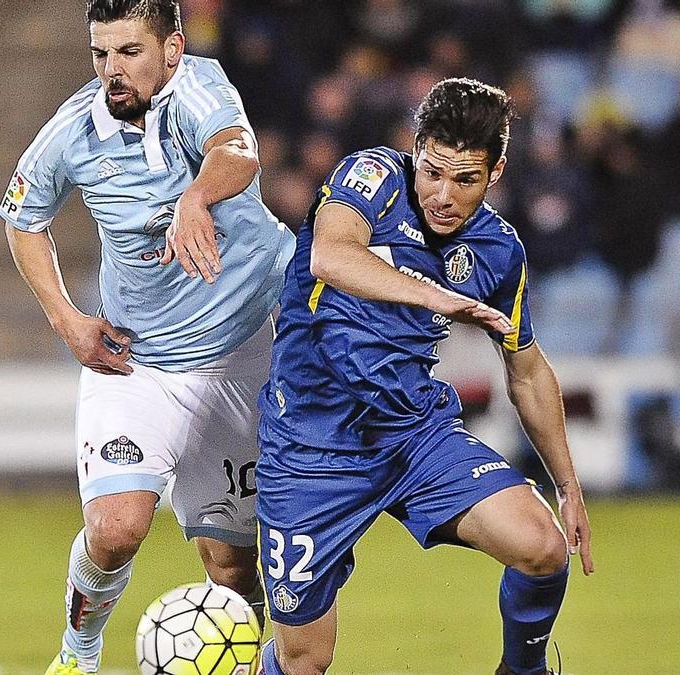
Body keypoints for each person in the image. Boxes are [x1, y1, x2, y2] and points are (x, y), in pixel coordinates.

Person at [255, 78, 594, 675]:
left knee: (541, 546)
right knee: (305, 661)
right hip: (309, 448)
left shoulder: (497, 249)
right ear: (416, 148)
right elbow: (331, 256)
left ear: (495, 173)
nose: (442, 194)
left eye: (465, 180)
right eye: (433, 172)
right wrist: (440, 299)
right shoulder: (372, 179)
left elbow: (528, 371)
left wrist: (567, 483)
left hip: (413, 437)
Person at [0, 1, 294, 672]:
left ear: (171, 49)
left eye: (129, 51)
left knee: (232, 565)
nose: (112, 70)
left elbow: (238, 152)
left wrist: (196, 198)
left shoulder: (198, 85)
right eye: (101, 54)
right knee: (115, 528)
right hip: (140, 364)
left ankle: (243, 658)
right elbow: (23, 220)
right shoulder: (74, 129)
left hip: (248, 351)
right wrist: (66, 318)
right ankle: (77, 654)